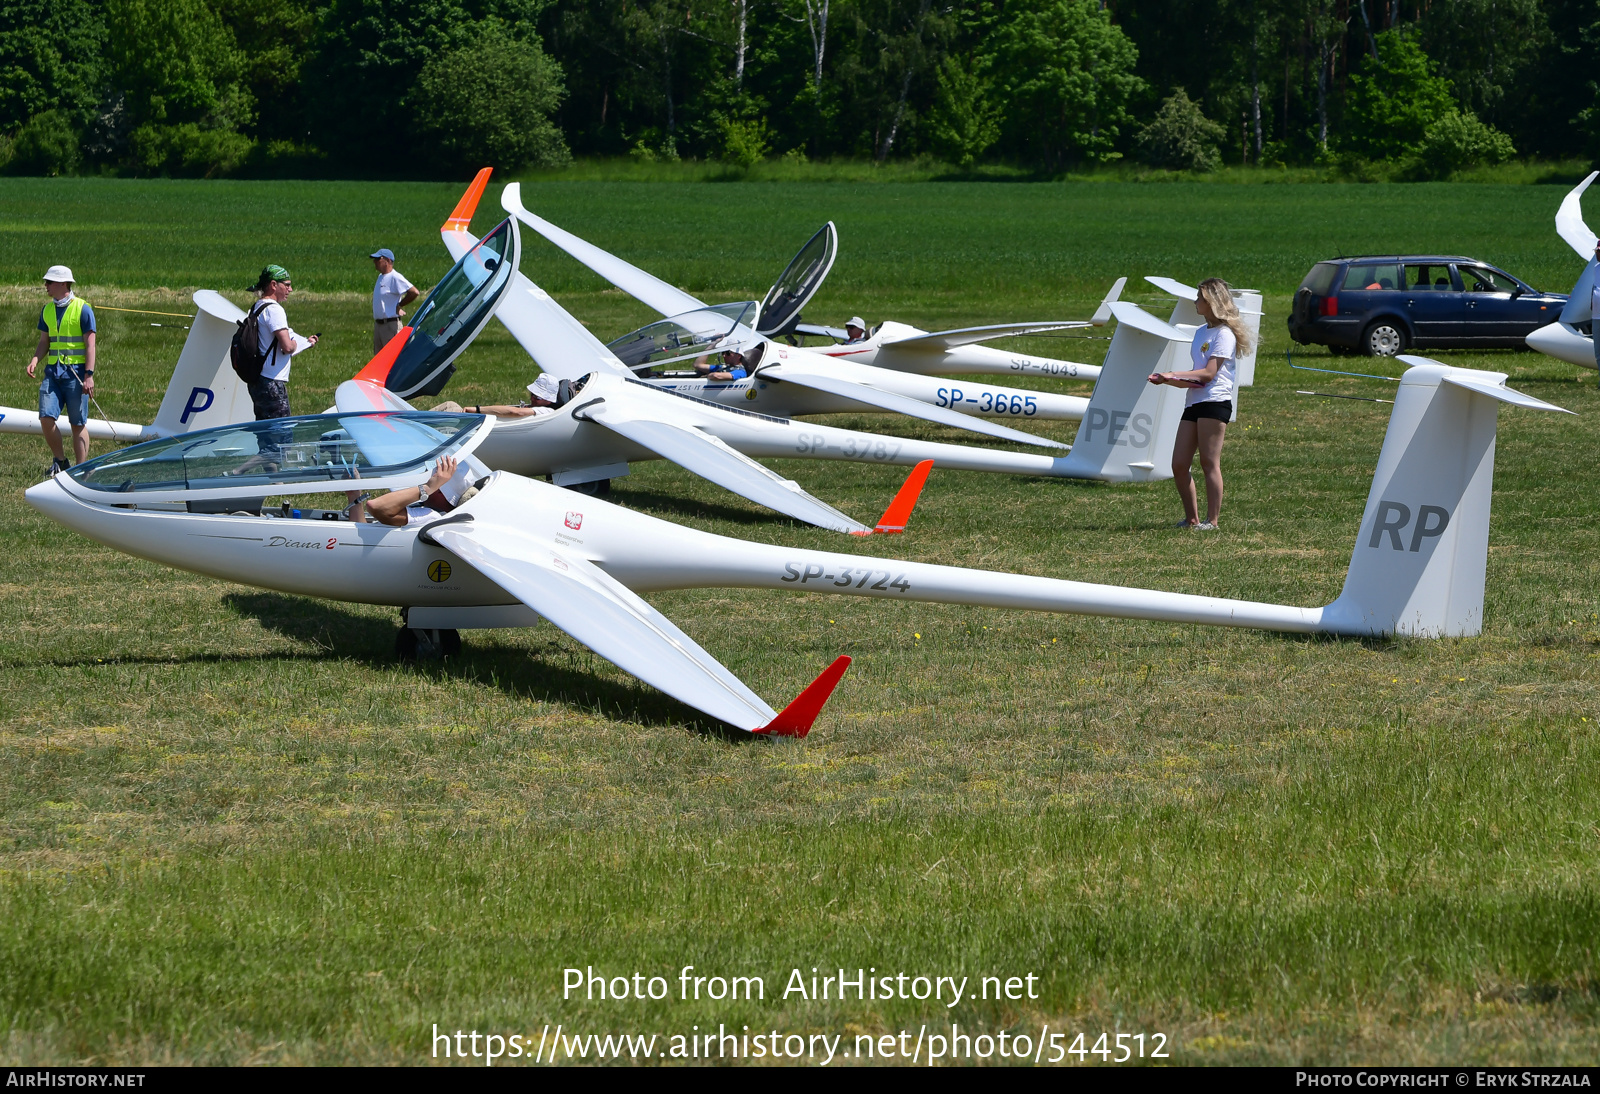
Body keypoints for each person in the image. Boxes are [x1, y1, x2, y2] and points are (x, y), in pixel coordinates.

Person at [1147, 277, 1252, 531]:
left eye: (1199, 298)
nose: (1196, 301)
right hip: (1194, 402)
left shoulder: (1224, 334)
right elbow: (1195, 378)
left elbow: (1208, 375)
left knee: (1208, 463)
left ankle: (1212, 521)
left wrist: (1172, 374)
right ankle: (1192, 520)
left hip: (1215, 402)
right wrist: (1167, 381)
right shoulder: (1200, 333)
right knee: (1179, 464)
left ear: (1211, 302)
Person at [25, 265, 95, 472]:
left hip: (76, 374)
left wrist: (89, 376)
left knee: (77, 423)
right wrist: (35, 359)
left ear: (63, 283)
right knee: (46, 417)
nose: (45, 286)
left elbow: (90, 344)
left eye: (49, 282)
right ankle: (60, 461)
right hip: (53, 373)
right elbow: (44, 341)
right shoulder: (47, 310)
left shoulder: (83, 309)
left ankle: (81, 470)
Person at [247, 264, 318, 421]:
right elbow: (287, 346)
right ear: (273, 285)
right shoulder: (274, 309)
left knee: (264, 433)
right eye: (286, 285)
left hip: (257, 379)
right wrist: (296, 343)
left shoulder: (257, 307)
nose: (290, 289)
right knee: (280, 434)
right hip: (272, 381)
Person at [435, 373, 563, 417]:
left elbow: (515, 412)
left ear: (549, 400)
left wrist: (477, 409)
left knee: (453, 411)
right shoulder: (536, 407)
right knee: (449, 404)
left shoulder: (546, 411)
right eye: (532, 394)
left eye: (538, 397)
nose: (532, 398)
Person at [371, 248, 420, 353]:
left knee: (392, 358)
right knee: (379, 360)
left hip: (390, 326)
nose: (374, 262)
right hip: (379, 326)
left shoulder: (395, 277)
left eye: (378, 259)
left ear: (387, 261)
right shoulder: (380, 277)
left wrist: (400, 305)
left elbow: (414, 292)